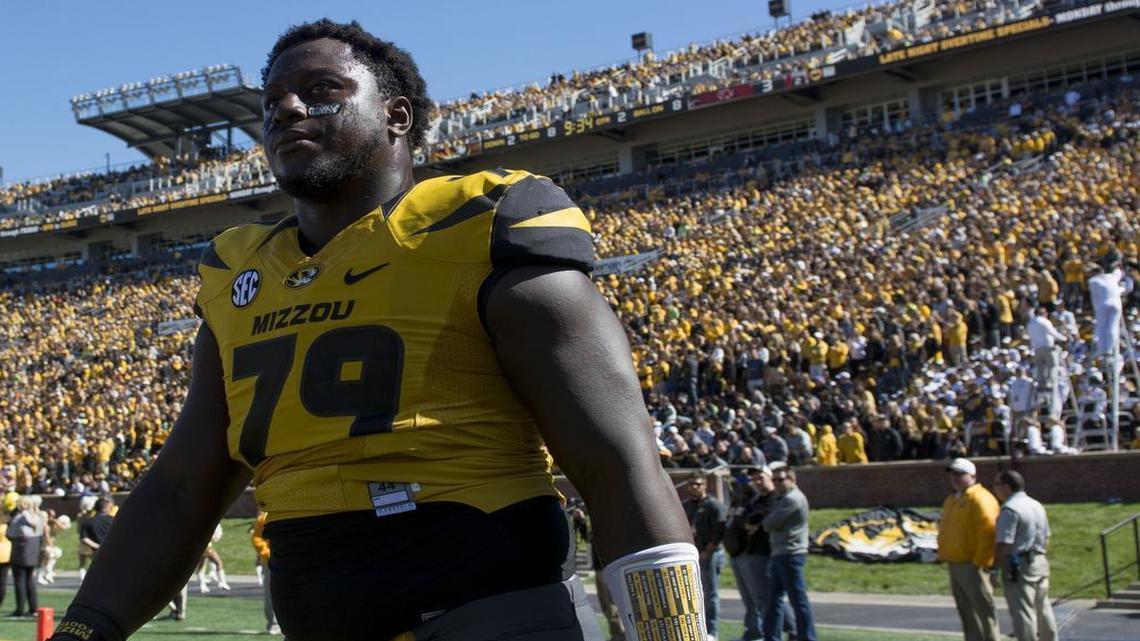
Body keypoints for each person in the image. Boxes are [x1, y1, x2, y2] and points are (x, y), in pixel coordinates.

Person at [48, 19, 700, 641]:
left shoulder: (481, 222)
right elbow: (183, 486)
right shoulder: (237, 269)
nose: (287, 109)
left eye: (321, 92)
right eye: (272, 99)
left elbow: (615, 462)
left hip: (491, 608)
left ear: (396, 115)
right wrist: (87, 625)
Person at [937, 458, 1001, 641]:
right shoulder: (953, 499)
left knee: (984, 612)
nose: (954, 478)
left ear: (972, 475)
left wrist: (981, 562)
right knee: (967, 614)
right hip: (955, 563)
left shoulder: (980, 498)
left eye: (960, 474)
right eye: (952, 474)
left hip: (972, 565)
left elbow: (988, 532)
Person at [993, 470, 1058, 641]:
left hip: (1019, 564)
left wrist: (994, 569)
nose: (995, 489)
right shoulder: (1036, 505)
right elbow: (1047, 538)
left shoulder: (1010, 509)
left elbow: (1004, 544)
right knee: (1043, 608)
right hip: (1040, 560)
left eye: (997, 485)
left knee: (1023, 612)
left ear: (1006, 486)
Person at [761, 466, 817, 641]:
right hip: (781, 553)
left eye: (780, 479)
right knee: (773, 600)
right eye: (774, 479)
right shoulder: (783, 498)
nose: (776, 483)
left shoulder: (792, 499)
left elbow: (769, 524)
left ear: (792, 479)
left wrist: (766, 520)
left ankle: (807, 637)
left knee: (797, 600)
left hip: (791, 554)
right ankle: (771, 636)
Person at [683, 473, 726, 641]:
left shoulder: (714, 505)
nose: (695, 487)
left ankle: (712, 631)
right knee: (694, 594)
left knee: (710, 593)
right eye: (692, 484)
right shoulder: (686, 505)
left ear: (705, 485)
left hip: (710, 554)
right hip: (693, 555)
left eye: (698, 484)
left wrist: (707, 552)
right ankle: (697, 629)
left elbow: (719, 531)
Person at [6, 496, 44, 617]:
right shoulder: (37, 517)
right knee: (30, 580)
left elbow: (10, 534)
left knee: (19, 581)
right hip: (33, 552)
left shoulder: (19, 518)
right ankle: (33, 608)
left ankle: (20, 609)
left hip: (20, 552)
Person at [250, 512, 280, 635]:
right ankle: (273, 623)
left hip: (290, 559)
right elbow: (256, 538)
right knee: (271, 592)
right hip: (270, 561)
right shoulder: (263, 519)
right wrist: (267, 553)